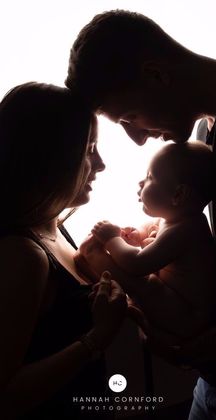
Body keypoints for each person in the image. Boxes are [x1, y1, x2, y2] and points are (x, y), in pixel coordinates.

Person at [65, 9, 216, 419]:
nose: (138, 138)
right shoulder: (203, 137)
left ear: (156, 74)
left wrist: (194, 347)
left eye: (129, 119)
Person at [0, 82, 127, 419]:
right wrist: (97, 338)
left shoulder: (55, 228)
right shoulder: (22, 254)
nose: (100, 164)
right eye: (89, 148)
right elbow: (4, 397)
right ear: (50, 157)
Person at [75, 140, 216, 343]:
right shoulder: (174, 220)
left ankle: (94, 257)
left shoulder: (187, 229)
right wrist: (138, 237)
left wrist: (111, 239)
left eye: (150, 177)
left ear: (178, 194)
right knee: (149, 274)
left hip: (186, 317)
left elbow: (137, 264)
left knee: (145, 283)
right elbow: (152, 234)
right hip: (178, 305)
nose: (141, 182)